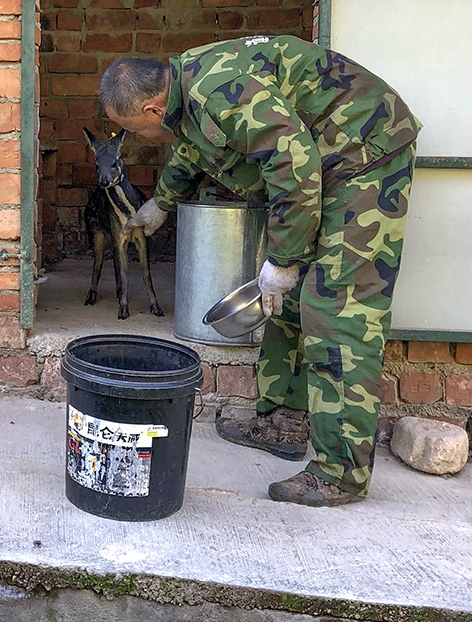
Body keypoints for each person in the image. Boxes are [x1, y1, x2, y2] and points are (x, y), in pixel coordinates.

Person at [99, 35, 421, 507]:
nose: (140, 139)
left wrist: (284, 259)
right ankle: (283, 421)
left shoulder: (217, 88)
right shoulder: (184, 89)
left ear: (151, 110)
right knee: (283, 300)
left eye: (132, 129)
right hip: (323, 166)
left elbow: (294, 164)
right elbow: (194, 146)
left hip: (363, 156)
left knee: (338, 311)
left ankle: (341, 474)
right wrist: (160, 204)